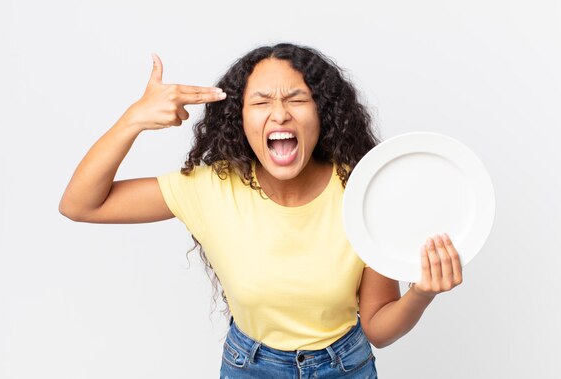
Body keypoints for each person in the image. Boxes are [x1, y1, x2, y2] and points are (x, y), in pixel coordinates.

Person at [59, 43, 463, 378]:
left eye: (296, 99)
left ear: (321, 114)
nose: (280, 113)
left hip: (347, 367)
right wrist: (133, 120)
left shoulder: (360, 191)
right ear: (240, 118)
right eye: (261, 101)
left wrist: (422, 293)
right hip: (249, 368)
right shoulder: (210, 188)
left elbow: (377, 328)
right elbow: (80, 204)